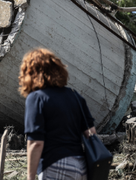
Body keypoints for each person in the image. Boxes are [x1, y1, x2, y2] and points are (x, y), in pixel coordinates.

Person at [19, 48, 97, 180]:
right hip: (81, 167)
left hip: (55, 166)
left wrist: (30, 177)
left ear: (30, 74)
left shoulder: (36, 98)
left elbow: (36, 143)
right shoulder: (74, 95)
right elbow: (91, 133)